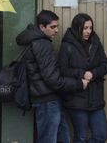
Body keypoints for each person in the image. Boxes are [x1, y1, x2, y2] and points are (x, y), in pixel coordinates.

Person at [16, 10, 88, 143]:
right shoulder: (42, 44)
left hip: (48, 99)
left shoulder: (39, 42)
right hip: (47, 102)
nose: (56, 30)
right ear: (42, 27)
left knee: (63, 138)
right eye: (52, 27)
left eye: (57, 26)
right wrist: (79, 84)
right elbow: (53, 80)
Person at [58, 13, 107, 143]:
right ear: (77, 28)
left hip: (96, 99)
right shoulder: (67, 45)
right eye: (85, 28)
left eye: (90, 28)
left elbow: (104, 65)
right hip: (76, 100)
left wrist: (93, 74)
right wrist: (81, 73)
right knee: (80, 137)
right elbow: (62, 70)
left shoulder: (95, 43)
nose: (88, 31)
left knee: (100, 136)